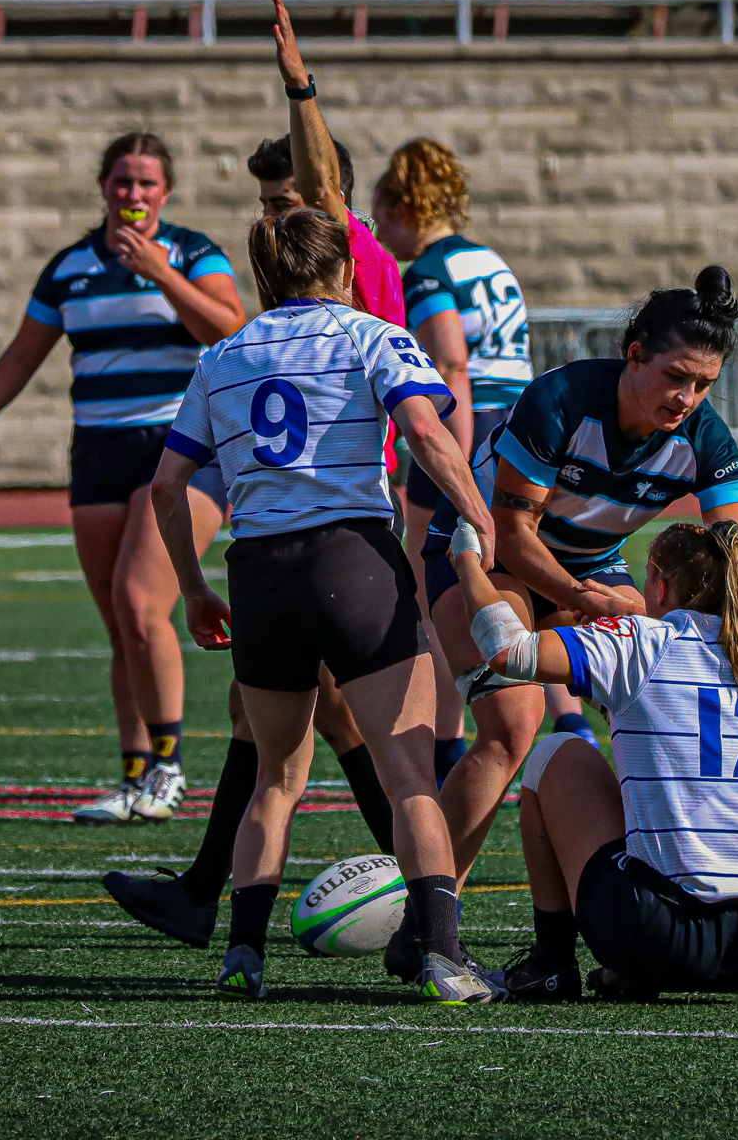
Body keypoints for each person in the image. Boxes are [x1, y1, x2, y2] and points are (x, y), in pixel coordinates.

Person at [388, 266, 738, 983]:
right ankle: (427, 926)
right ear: (634, 355)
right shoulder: (562, 401)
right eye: (676, 377)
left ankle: (659, 890)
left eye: (704, 385)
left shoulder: (703, 435)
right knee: (513, 727)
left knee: (667, 694)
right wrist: (582, 598)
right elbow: (513, 532)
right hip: (487, 553)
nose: (687, 398)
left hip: (590, 566)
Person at [147, 205, 502, 1003]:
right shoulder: (371, 334)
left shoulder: (223, 355)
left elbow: (168, 486)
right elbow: (424, 430)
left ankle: (243, 955)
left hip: (259, 571)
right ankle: (445, 960)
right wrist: (477, 512)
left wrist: (194, 588)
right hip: (352, 560)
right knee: (409, 773)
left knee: (275, 776)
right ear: (342, 268)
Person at [0, 132, 247, 825]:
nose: (133, 194)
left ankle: (170, 769)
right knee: (122, 623)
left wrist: (161, 274)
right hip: (98, 451)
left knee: (142, 603)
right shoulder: (71, 266)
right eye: (122, 181)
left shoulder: (192, 253)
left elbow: (230, 329)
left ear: (166, 192)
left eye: (146, 183)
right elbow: (25, 350)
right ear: (103, 188)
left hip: (180, 449)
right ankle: (135, 773)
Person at [447, 517, 738, 1000]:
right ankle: (631, 973)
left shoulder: (643, 641)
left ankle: (550, 964)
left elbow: (509, 651)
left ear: (659, 585)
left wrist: (468, 564)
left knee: (555, 753)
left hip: (659, 931)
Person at [372, 138, 533, 765]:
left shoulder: (430, 271)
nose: (381, 234)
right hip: (519, 428)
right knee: (525, 587)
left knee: (432, 596)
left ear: (403, 207)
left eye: (382, 219)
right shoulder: (487, 258)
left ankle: (446, 747)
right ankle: (570, 723)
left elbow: (451, 364)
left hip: (470, 424)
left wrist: (454, 461)